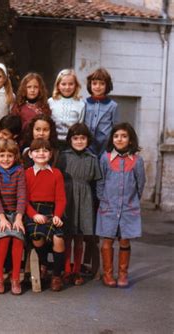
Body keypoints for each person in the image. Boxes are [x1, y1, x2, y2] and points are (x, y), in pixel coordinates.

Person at [96, 123, 145, 288]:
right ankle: (108, 274)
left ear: (130, 140)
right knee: (107, 240)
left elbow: (140, 185)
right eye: (116, 136)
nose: (120, 139)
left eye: (124, 136)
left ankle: (123, 274)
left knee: (124, 241)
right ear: (112, 139)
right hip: (108, 208)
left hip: (128, 209)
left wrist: (132, 202)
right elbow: (101, 182)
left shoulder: (137, 161)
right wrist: (104, 200)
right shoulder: (105, 158)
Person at [56, 123, 101, 286]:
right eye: (75, 138)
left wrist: (97, 203)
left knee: (80, 237)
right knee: (67, 235)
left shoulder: (92, 159)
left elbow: (97, 182)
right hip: (67, 196)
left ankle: (76, 271)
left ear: (88, 140)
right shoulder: (63, 156)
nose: (79, 141)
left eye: (83, 138)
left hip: (85, 198)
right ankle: (67, 270)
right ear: (70, 140)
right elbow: (57, 178)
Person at [24, 138, 67, 291]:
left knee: (58, 238)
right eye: (37, 150)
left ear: (51, 154)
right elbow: (24, 200)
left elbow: (61, 198)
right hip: (33, 211)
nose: (41, 153)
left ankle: (56, 275)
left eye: (45, 150)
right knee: (37, 238)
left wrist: (57, 215)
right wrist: (33, 214)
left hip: (52, 210)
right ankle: (43, 263)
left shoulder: (56, 174)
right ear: (30, 154)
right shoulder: (27, 174)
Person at [0, 139, 26, 295]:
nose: (6, 159)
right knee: (4, 236)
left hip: (16, 213)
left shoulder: (19, 170)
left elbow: (22, 195)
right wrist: (2, 218)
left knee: (17, 236)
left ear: (15, 156)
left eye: (9, 156)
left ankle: (15, 277)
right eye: (2, 155)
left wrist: (18, 218)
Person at [84, 68, 119, 156]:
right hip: (87, 144)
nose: (97, 87)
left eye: (102, 84)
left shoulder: (112, 105)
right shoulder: (83, 103)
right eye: (94, 83)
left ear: (107, 86)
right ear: (90, 85)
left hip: (105, 145)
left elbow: (115, 126)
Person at [48, 69, 85, 149]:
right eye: (63, 84)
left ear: (76, 85)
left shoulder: (80, 104)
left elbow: (80, 126)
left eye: (71, 84)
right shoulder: (51, 102)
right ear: (58, 85)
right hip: (54, 143)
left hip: (72, 144)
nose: (67, 87)